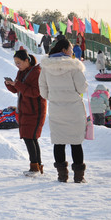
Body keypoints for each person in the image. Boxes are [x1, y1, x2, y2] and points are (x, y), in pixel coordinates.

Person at [39, 38, 88, 183]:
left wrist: (54, 97)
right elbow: (82, 88)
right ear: (64, 50)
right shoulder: (74, 66)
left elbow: (43, 91)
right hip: (74, 109)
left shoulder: (46, 67)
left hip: (56, 109)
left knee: (59, 142)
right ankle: (79, 177)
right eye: (70, 48)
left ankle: (62, 176)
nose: (72, 51)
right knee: (76, 142)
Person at [4, 49, 47, 176]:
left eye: (19, 63)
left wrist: (17, 85)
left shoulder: (37, 72)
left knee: (30, 138)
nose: (17, 66)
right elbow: (18, 89)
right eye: (16, 63)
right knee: (30, 138)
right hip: (25, 110)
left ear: (27, 60)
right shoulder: (21, 72)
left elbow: (34, 92)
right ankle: (37, 166)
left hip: (35, 110)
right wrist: (10, 84)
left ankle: (35, 167)